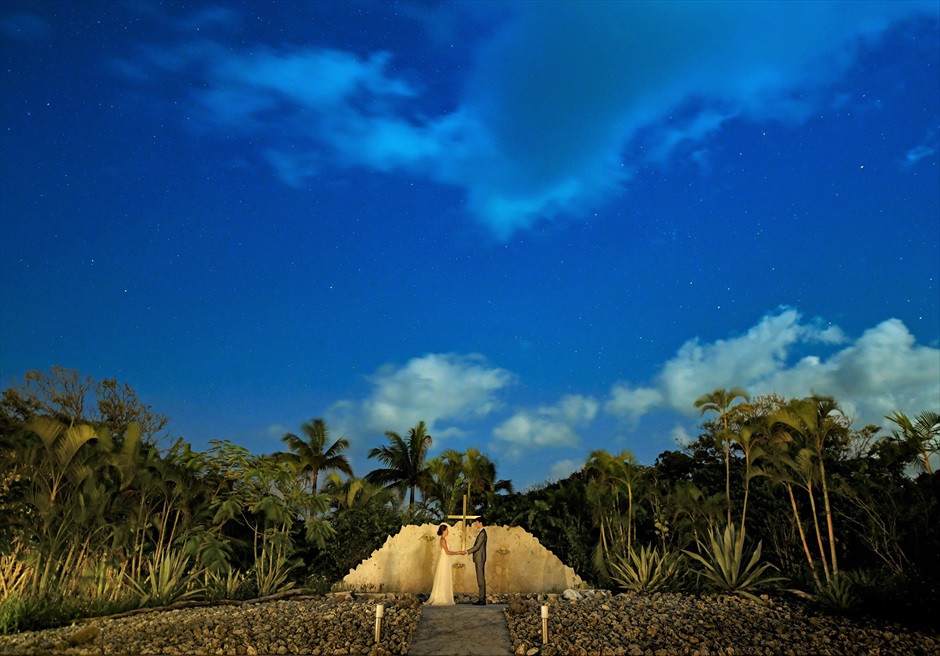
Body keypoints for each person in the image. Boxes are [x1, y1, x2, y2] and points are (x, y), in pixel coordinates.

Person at [426, 524, 465, 606]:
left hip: (446, 559)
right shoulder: (443, 540)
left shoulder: (444, 539)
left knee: (445, 577)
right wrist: (458, 552)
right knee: (443, 577)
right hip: (444, 559)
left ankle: (445, 596)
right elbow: (447, 552)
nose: (448, 531)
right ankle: (441, 597)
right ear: (443, 531)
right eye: (447, 530)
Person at [465, 517, 488, 605]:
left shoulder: (482, 533)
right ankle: (481, 598)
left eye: (476, 523)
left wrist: (467, 551)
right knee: (479, 578)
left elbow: (477, 546)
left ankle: (482, 599)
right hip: (478, 558)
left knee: (480, 578)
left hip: (480, 558)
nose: (475, 524)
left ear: (480, 523)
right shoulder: (481, 533)